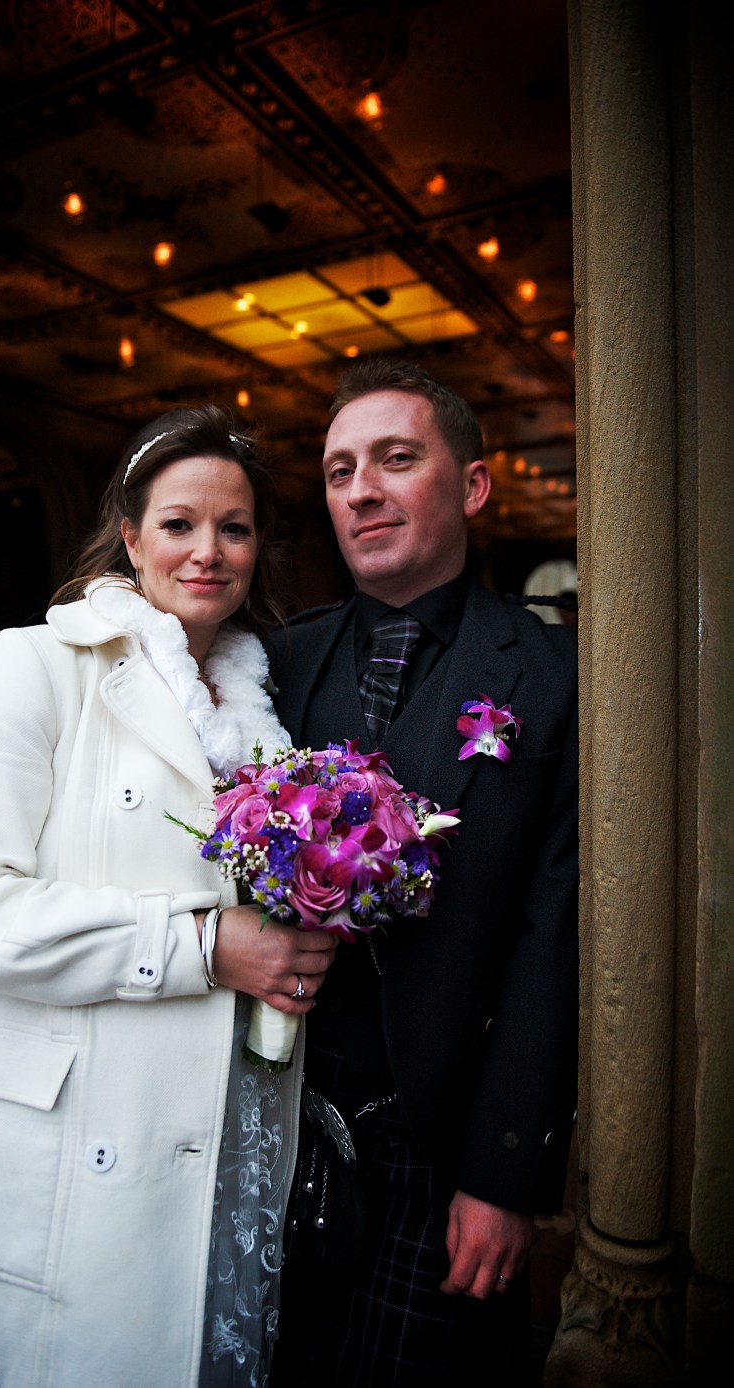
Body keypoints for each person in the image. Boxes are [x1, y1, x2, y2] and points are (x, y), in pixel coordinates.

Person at [0, 405, 337, 1388]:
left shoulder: (266, 722)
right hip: (51, 1153)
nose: (208, 551)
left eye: (234, 528)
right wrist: (202, 944)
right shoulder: (30, 666)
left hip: (210, 1129)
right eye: (179, 523)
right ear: (129, 536)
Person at [268, 358, 579, 1385]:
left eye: (397, 460)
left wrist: (505, 1172)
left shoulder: (551, 670)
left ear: (474, 485)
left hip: (444, 1148)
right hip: (275, 1131)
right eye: (339, 469)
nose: (361, 489)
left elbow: (554, 928)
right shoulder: (271, 664)